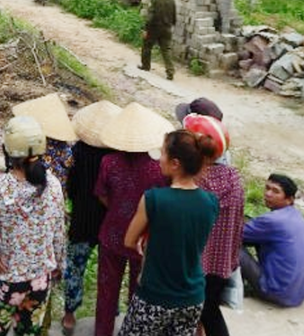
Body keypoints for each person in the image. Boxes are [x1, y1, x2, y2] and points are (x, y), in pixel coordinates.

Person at [0, 115, 66, 336]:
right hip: (40, 278)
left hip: (7, 280)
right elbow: (59, 232)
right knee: (30, 332)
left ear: (8, 151)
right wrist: (59, 263)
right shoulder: (54, 185)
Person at [119, 129, 220, 336]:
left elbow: (129, 241)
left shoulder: (153, 199)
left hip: (154, 296)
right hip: (192, 298)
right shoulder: (211, 202)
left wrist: (145, 242)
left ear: (175, 163)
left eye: (163, 153)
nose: (159, 159)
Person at [93, 102, 169, 336]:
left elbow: (101, 194)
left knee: (107, 290)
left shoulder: (108, 162)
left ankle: (102, 332)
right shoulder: (159, 169)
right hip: (143, 238)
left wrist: (117, 208)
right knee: (139, 290)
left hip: (113, 233)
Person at [61, 100, 120, 336]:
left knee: (75, 267)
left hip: (82, 218)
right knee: (109, 271)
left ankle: (69, 316)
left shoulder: (78, 152)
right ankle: (111, 311)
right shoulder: (118, 156)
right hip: (108, 220)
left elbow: (71, 187)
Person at [181, 113, 244, 336]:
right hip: (220, 263)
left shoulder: (193, 181)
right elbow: (238, 223)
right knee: (208, 309)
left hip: (191, 263)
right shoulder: (234, 179)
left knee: (204, 313)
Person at [241, 173, 304, 308]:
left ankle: (226, 287)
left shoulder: (272, 220)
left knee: (228, 244)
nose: (268, 194)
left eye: (275, 191)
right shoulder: (296, 215)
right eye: (267, 188)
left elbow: (234, 234)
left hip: (276, 292)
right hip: (296, 295)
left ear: (289, 199)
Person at [139, 0, 176, 80]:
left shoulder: (155, 0)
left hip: (154, 28)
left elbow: (150, 16)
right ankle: (170, 71)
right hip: (167, 28)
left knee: (147, 46)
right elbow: (174, 17)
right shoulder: (171, 1)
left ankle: (145, 66)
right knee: (166, 50)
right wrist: (171, 26)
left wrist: (146, 29)